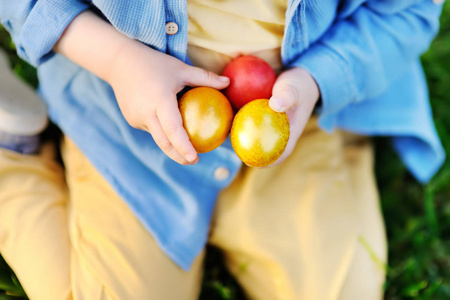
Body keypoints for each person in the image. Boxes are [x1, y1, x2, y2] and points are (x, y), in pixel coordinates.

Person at [0, 0, 445, 299]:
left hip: (294, 122)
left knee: (342, 289)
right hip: (126, 121)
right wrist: (117, 59)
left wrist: (316, 80)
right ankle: (12, 160)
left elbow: (403, 12)